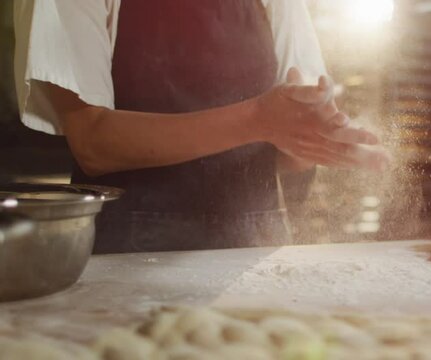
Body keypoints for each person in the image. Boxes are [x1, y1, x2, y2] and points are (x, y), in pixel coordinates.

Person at [13, 0, 389, 253]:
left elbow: (291, 148)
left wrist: (316, 139)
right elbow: (94, 143)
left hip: (253, 255)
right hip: (127, 259)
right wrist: (259, 119)